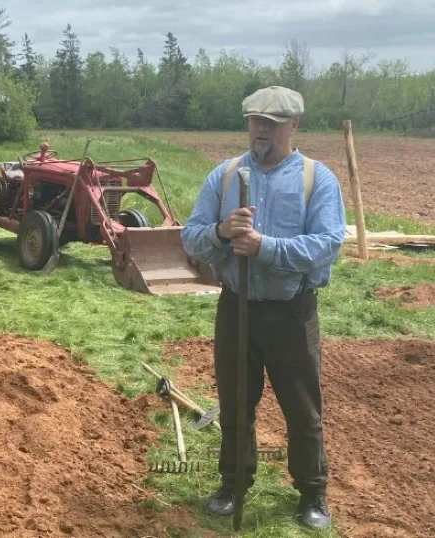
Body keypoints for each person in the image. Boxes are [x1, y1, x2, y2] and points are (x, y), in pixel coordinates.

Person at [180, 86, 347, 530]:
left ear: (294, 125)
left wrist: (265, 247)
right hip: (236, 308)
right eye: (255, 121)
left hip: (291, 313)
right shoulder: (226, 175)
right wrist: (219, 230)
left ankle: (313, 493)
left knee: (302, 407)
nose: (261, 130)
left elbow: (327, 245)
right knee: (236, 404)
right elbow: (190, 236)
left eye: (271, 123)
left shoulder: (317, 179)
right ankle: (233, 484)